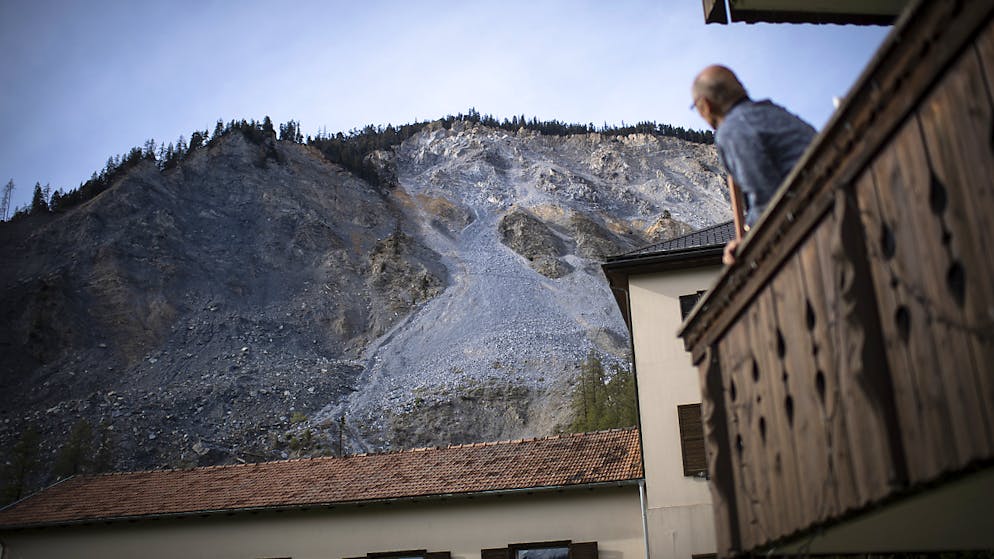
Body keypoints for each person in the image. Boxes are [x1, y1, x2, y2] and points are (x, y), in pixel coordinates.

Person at [691, 65, 816, 265]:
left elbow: (767, 200)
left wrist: (746, 242)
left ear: (705, 105)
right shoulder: (775, 113)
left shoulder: (732, 130)